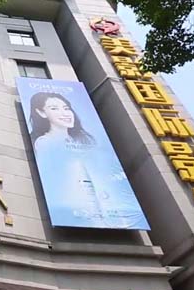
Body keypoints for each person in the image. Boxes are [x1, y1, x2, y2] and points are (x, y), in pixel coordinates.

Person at [27, 91, 147, 229]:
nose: (64, 113)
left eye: (66, 108)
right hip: (75, 210)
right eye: (54, 108)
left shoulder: (84, 140)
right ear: (41, 113)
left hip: (105, 208)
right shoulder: (45, 143)